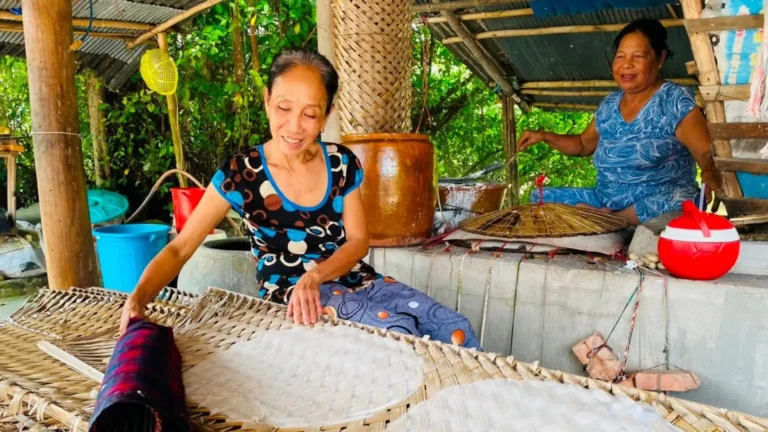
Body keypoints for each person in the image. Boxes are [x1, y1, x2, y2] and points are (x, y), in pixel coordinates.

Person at [120, 48, 481, 350]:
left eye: (310, 114)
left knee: (455, 329)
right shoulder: (240, 174)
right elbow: (181, 249)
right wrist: (138, 298)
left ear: (326, 115)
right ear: (266, 100)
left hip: (357, 280)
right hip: (293, 297)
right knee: (397, 335)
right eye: (283, 108)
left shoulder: (341, 163)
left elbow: (358, 243)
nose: (294, 126)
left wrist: (317, 275)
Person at [517, 18, 722, 226]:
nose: (626, 65)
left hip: (655, 202)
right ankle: (604, 221)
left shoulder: (675, 100)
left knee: (683, 200)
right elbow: (582, 144)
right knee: (541, 197)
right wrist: (543, 135)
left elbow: (707, 154)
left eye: (638, 56)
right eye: (620, 56)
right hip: (605, 199)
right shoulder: (609, 104)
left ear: (660, 58)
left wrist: (709, 174)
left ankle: (609, 223)